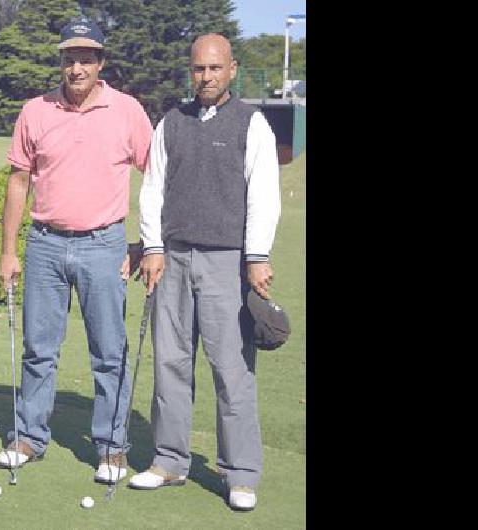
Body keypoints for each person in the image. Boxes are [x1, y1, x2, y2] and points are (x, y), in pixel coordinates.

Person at [0, 18, 153, 486]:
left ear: (100, 63)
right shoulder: (35, 111)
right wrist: (9, 251)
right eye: (69, 58)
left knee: (109, 352)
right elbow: (19, 183)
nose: (77, 66)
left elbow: (155, 177)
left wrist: (146, 240)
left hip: (104, 244)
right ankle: (28, 438)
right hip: (44, 244)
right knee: (38, 350)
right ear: (60, 62)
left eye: (86, 58)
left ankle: (111, 448)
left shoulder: (127, 110)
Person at [129, 33, 281, 511]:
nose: (207, 76)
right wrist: (152, 246)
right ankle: (169, 461)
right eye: (199, 69)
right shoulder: (171, 122)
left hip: (226, 262)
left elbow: (264, 195)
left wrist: (256, 256)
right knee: (170, 364)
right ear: (190, 70)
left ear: (232, 69)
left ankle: (240, 473)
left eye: (215, 68)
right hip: (171, 259)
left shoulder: (251, 124)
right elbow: (152, 189)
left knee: (232, 371)